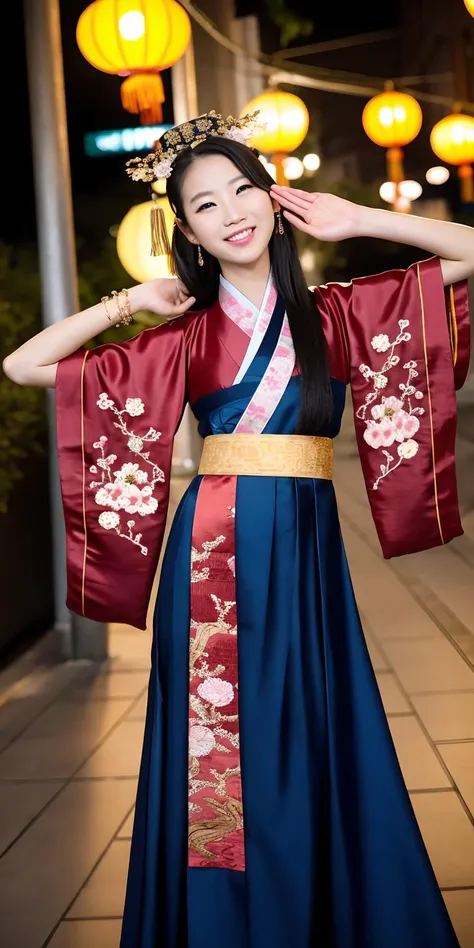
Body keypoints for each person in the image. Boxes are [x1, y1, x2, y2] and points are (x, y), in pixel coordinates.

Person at [3, 109, 472, 948]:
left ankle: (324, 909)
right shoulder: (184, 333)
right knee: (225, 739)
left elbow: (471, 255)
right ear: (185, 232)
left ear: (274, 196)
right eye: (206, 205)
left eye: (243, 189)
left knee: (316, 719)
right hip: (214, 552)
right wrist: (126, 304)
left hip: (308, 542)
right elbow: (25, 364)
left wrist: (358, 218)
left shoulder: (334, 313)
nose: (233, 212)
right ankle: (229, 923)